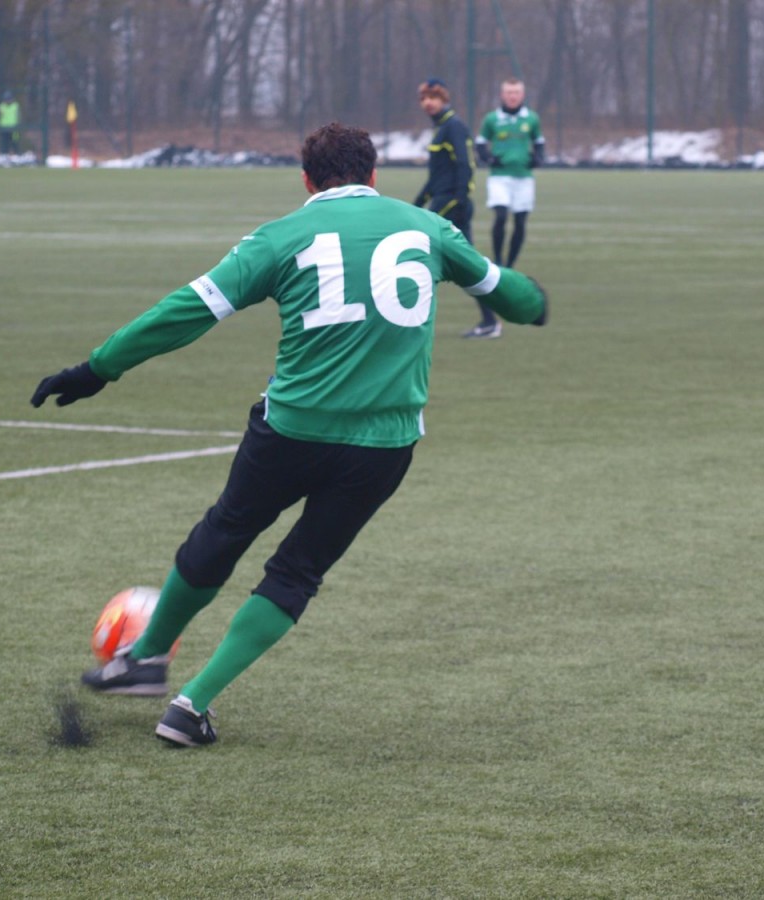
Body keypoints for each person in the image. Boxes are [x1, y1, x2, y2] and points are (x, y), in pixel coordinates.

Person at [31, 122, 548, 747]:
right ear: (374, 174)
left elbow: (186, 311)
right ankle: (190, 706)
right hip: (383, 446)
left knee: (226, 527)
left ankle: (146, 656)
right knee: (297, 571)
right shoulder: (428, 230)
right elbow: (509, 295)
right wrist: (535, 302)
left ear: (307, 181)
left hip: (291, 430)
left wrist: (98, 369)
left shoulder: (279, 237)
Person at [413, 78, 491, 339]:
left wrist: (460, 199)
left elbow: (466, 165)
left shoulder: (454, 126)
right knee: (470, 267)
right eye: (424, 98)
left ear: (444, 99)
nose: (428, 103)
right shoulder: (441, 128)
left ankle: (403, 319)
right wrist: (418, 203)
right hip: (442, 201)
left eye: (433, 97)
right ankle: (490, 321)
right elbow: (436, 177)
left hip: (451, 204)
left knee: (416, 251)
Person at [475, 77, 545, 272]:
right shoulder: (492, 119)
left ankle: (510, 265)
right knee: (501, 216)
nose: (512, 96)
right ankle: (498, 260)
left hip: (524, 178)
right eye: (509, 92)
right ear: (502, 95)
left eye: (516, 92)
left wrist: (538, 158)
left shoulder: (531, 118)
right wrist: (489, 159)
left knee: (520, 222)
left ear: (522, 95)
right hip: (499, 177)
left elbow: (539, 142)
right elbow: (480, 143)